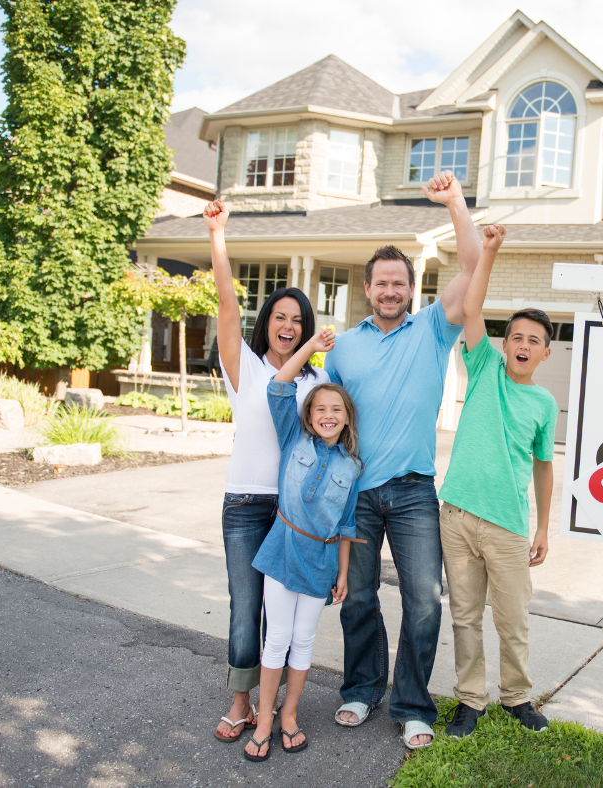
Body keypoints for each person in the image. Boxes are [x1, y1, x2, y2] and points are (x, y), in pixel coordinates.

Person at [324, 170, 481, 749]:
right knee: (358, 599)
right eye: (381, 283)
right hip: (357, 493)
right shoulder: (343, 345)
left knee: (423, 601)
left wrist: (457, 203)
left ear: (411, 289)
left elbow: (468, 268)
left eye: (399, 283)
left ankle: (412, 703)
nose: (390, 291)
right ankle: (362, 690)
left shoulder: (434, 331)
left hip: (415, 491)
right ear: (368, 289)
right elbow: (326, 419)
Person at [205, 199, 331, 743]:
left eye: (297, 320)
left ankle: (273, 703)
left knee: (280, 619)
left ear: (306, 330)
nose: (287, 326)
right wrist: (218, 237)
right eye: (280, 318)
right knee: (245, 607)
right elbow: (227, 307)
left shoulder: (311, 383)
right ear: (268, 325)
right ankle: (240, 702)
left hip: (290, 516)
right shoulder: (246, 369)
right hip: (243, 505)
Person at [438, 224, 557, 738]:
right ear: (503, 344)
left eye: (535, 340)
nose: (524, 345)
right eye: (517, 337)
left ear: (546, 353)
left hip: (509, 525)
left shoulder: (544, 404)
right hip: (458, 515)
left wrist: (544, 528)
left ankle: (517, 698)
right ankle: (470, 699)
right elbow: (470, 309)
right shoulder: (483, 365)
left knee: (513, 621)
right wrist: (489, 250)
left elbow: (544, 465)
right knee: (465, 617)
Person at [243, 335, 364, 762]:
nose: (328, 415)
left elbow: (347, 524)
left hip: (321, 561)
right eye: (320, 409)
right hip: (282, 548)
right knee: (276, 638)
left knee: (304, 638)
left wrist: (343, 574)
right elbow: (279, 386)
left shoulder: (352, 466)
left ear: (347, 418)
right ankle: (263, 722)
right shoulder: (293, 436)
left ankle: (290, 716)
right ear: (309, 416)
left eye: (336, 410)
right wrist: (312, 345)